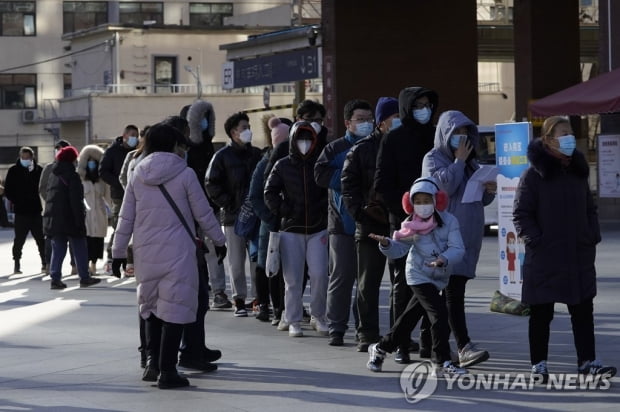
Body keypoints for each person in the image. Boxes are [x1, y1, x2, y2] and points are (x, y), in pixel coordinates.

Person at [112, 123, 227, 389]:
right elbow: (203, 213)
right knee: (175, 308)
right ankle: (168, 371)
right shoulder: (185, 174)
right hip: (179, 252)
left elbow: (125, 217)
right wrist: (219, 241)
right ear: (173, 145)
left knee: (150, 307)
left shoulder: (137, 174)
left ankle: (152, 364)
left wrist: (118, 253)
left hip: (146, 252)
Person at [513, 116, 616, 383]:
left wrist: (591, 235)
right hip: (545, 255)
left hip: (578, 254)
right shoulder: (533, 175)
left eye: (571, 132)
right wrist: (537, 240)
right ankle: (539, 364)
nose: (570, 137)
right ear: (548, 140)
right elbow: (521, 214)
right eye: (563, 133)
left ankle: (587, 361)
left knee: (582, 311)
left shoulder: (578, 173)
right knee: (541, 312)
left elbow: (590, 209)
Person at [366, 177, 467, 376]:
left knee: (408, 320)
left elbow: (458, 248)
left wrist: (443, 259)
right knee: (439, 313)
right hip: (418, 275)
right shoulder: (409, 225)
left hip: (439, 275)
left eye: (426, 200)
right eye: (417, 202)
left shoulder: (449, 221)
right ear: (410, 204)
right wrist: (386, 244)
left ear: (436, 200)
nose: (422, 206)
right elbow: (399, 249)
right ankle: (443, 361)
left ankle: (380, 348)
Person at [421, 110, 492, 368]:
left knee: (438, 296)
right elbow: (444, 188)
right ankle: (463, 345)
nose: (461, 138)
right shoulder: (433, 158)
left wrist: (489, 190)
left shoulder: (471, 161)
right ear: (445, 134)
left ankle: (429, 346)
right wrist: (459, 162)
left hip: (468, 237)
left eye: (465, 133)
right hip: (445, 238)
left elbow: (477, 196)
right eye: (456, 133)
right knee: (452, 293)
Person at [374, 86, 438, 362]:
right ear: (406, 108)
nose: (424, 109)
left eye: (427, 104)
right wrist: (406, 213)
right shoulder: (393, 139)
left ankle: (429, 342)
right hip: (404, 224)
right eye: (418, 105)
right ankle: (401, 343)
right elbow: (382, 183)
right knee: (403, 283)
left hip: (435, 223)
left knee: (433, 282)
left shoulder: (436, 136)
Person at [314, 99, 374, 345]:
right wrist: (350, 177)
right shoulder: (334, 148)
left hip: (370, 222)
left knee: (366, 280)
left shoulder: (375, 145)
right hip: (342, 223)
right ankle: (336, 327)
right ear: (348, 123)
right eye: (361, 119)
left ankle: (364, 328)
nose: (366, 124)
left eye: (369, 119)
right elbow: (320, 174)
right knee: (341, 277)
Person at [342, 97, 399, 352]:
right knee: (368, 283)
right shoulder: (361, 150)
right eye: (393, 116)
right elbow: (348, 186)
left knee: (401, 283)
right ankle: (367, 334)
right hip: (370, 226)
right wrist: (361, 215)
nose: (397, 121)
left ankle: (398, 335)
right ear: (381, 120)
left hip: (400, 225)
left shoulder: (405, 147)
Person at [264, 121, 329, 337]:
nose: (305, 143)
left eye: (309, 138)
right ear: (292, 140)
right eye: (301, 138)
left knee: (320, 274)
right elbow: (269, 192)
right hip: (290, 229)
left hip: (318, 228)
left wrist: (323, 211)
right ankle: (292, 319)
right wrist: (284, 210)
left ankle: (318, 316)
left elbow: (327, 191)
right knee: (292, 279)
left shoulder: (320, 163)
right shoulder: (282, 165)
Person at [206, 111, 262, 317]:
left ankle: (258, 299)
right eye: (244, 128)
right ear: (233, 132)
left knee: (257, 260)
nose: (248, 131)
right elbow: (211, 184)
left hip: (256, 217)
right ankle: (239, 299)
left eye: (249, 127)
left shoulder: (256, 154)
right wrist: (228, 204)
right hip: (233, 218)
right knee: (236, 263)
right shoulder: (221, 156)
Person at [184, 100, 231, 310]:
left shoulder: (209, 146)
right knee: (190, 250)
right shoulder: (184, 149)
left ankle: (219, 290)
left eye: (206, 119)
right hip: (185, 208)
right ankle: (196, 287)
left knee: (213, 249)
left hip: (208, 206)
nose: (203, 123)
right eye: (199, 119)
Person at [248, 115, 290, 322]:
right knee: (266, 265)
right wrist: (269, 216)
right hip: (270, 224)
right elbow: (255, 196)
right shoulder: (265, 163)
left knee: (287, 268)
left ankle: (285, 306)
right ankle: (265, 304)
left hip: (290, 224)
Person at [42, 146, 101, 289]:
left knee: (58, 248)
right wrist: (80, 221)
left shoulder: (53, 174)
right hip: (70, 218)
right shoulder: (72, 175)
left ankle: (55, 278)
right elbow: (76, 200)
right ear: (72, 159)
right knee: (80, 246)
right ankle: (84, 277)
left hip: (55, 219)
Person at [100, 124, 139, 276]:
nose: (135, 138)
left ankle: (130, 263)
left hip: (136, 195)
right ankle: (111, 259)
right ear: (125, 136)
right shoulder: (112, 152)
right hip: (119, 195)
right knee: (119, 228)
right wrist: (119, 182)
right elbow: (103, 172)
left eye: (137, 135)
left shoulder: (138, 152)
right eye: (132, 135)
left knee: (136, 230)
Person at [4, 146, 46, 274]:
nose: (25, 160)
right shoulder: (13, 170)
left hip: (35, 211)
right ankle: (17, 263)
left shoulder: (38, 170)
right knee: (19, 239)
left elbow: (43, 187)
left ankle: (45, 263)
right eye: (23, 158)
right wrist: (16, 200)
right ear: (20, 157)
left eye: (27, 158)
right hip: (21, 211)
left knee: (40, 239)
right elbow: (8, 190)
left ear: (32, 158)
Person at [39, 139, 76, 275]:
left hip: (69, 210)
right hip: (52, 210)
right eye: (57, 149)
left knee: (73, 239)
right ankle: (49, 265)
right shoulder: (49, 168)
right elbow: (42, 188)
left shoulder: (75, 167)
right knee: (51, 239)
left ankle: (74, 265)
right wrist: (51, 201)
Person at [77, 145, 110, 275]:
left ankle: (94, 264)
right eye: (89, 161)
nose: (91, 164)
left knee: (97, 241)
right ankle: (84, 265)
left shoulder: (102, 180)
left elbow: (108, 196)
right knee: (85, 241)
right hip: (85, 214)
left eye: (94, 161)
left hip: (99, 214)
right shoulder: (79, 179)